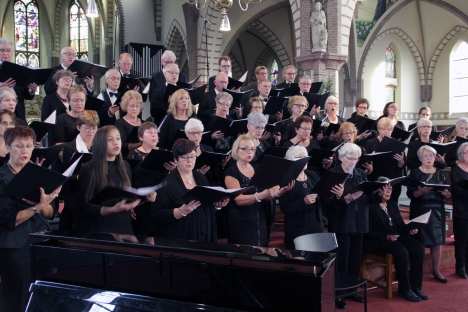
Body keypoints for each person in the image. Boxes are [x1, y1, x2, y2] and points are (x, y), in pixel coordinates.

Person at [0, 126, 61, 312]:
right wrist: (36, 208)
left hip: (41, 240)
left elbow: (52, 214)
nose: (25, 151)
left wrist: (46, 204)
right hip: (15, 246)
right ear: (8, 147)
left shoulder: (36, 174)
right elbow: (9, 220)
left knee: (43, 296)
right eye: (19, 146)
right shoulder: (2, 177)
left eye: (28, 146)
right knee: (16, 299)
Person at [322, 142, 381, 309]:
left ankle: (353, 291)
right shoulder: (333, 174)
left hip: (360, 223)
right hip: (342, 223)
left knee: (355, 260)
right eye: (350, 159)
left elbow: (368, 198)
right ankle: (339, 294)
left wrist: (379, 195)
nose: (353, 162)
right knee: (342, 260)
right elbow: (328, 203)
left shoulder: (361, 173)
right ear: (341, 157)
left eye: (356, 159)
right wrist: (346, 198)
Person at [77, 125, 155, 234]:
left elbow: (127, 199)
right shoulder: (88, 168)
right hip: (101, 230)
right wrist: (113, 209)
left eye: (118, 138)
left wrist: (145, 197)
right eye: (110, 139)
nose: (116, 142)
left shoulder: (125, 165)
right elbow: (86, 208)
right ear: (101, 143)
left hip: (125, 228)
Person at [363, 177, 427, 302]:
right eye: (385, 188)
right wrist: (386, 236)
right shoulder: (370, 206)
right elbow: (368, 232)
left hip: (395, 236)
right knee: (402, 251)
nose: (388, 191)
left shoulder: (392, 204)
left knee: (418, 248)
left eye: (390, 188)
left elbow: (400, 226)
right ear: (378, 190)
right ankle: (405, 289)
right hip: (378, 240)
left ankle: (416, 287)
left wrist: (411, 229)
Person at [152, 138, 229, 242]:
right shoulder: (167, 183)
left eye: (192, 156)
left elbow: (206, 204)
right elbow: (157, 215)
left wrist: (216, 206)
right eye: (185, 157)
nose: (190, 161)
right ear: (175, 159)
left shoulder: (201, 178)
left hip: (205, 231)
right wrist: (181, 211)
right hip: (182, 234)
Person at [224, 135, 293, 246]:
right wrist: (261, 195)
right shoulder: (231, 172)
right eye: (245, 148)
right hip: (241, 222)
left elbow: (267, 195)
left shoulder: (257, 168)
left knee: (262, 253)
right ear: (236, 150)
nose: (249, 152)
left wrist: (279, 192)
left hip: (260, 218)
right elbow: (239, 199)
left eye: (252, 149)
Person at [407, 145, 451, 283]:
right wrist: (419, 192)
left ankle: (436, 270)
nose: (428, 158)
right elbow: (410, 193)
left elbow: (448, 194)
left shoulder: (440, 173)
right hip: (420, 208)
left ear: (435, 158)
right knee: (418, 240)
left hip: (437, 209)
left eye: (431, 156)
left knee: (437, 241)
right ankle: (416, 270)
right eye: (425, 156)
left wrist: (446, 193)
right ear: (420, 158)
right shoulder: (414, 173)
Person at [60, 110, 99, 231]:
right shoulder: (70, 148)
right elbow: (67, 176)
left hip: (94, 194)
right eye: (87, 128)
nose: (91, 132)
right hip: (74, 194)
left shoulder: (99, 146)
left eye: (94, 128)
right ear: (78, 127)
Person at [280, 146, 323, 249]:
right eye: (301, 158)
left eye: (306, 157)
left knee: (317, 258)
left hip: (316, 224)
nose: (305, 160)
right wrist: (303, 202)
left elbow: (322, 197)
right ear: (291, 161)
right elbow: (284, 207)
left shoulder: (313, 175)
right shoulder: (285, 179)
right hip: (297, 227)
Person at [365, 117, 405, 202]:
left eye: (389, 129)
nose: (386, 132)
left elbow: (401, 166)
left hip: (392, 177)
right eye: (383, 129)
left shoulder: (397, 143)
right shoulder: (370, 143)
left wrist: (401, 161)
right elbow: (366, 162)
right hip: (376, 176)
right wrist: (371, 157)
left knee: (392, 204)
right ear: (378, 129)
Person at [0, 37, 37, 121]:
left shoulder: (18, 69)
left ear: (12, 52)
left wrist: (31, 90)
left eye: (8, 50)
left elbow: (25, 94)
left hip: (18, 114)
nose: (5, 53)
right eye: (2, 50)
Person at [450, 142, 468, 279]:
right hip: (461, 209)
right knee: (461, 239)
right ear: (462, 154)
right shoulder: (456, 169)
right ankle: (460, 266)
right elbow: (457, 190)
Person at [115, 90, 143, 157]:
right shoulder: (119, 123)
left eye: (137, 106)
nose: (135, 109)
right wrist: (141, 144)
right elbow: (122, 145)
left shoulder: (144, 123)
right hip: (126, 158)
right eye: (132, 106)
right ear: (125, 106)